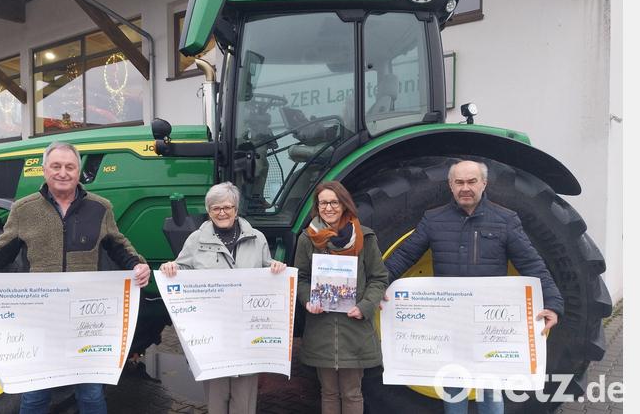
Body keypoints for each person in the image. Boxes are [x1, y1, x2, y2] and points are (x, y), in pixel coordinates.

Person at [0, 141, 150, 414]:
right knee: (34, 397)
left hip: (84, 321)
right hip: (40, 320)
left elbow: (117, 244)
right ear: (44, 170)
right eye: (56, 166)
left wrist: (137, 264)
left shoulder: (100, 208)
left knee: (90, 396)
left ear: (78, 172)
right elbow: (1, 252)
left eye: (69, 167)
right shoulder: (24, 210)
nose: (63, 173)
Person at [383, 160, 565, 414]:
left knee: (490, 390)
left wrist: (553, 305)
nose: (465, 188)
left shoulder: (505, 220)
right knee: (454, 388)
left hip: (489, 327)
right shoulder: (433, 220)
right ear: (450, 185)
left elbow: (533, 265)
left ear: (484, 183)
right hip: (451, 324)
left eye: (471, 181)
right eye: (459, 182)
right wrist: (379, 286)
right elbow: (403, 257)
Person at [159, 181, 286, 414]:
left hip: (247, 333)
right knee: (217, 400)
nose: (222, 212)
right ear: (209, 211)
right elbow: (182, 270)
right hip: (213, 335)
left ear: (236, 209)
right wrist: (171, 269)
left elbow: (267, 270)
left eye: (227, 207)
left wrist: (276, 267)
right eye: (216, 208)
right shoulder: (195, 240)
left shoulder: (257, 238)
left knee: (244, 401)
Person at [294, 181, 389, 414]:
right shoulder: (308, 239)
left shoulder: (364, 238)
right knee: (328, 393)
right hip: (322, 330)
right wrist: (307, 300)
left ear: (344, 204)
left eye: (334, 202)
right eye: (323, 203)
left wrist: (365, 306)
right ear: (317, 207)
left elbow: (379, 278)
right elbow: (302, 277)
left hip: (354, 329)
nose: (329, 208)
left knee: (352, 393)